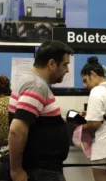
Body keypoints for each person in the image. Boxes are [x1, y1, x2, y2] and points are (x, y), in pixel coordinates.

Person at [8, 40, 73, 181]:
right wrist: (16, 170)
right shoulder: (36, 85)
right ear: (51, 64)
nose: (67, 70)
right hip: (41, 172)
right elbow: (17, 130)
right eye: (65, 64)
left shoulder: (30, 81)